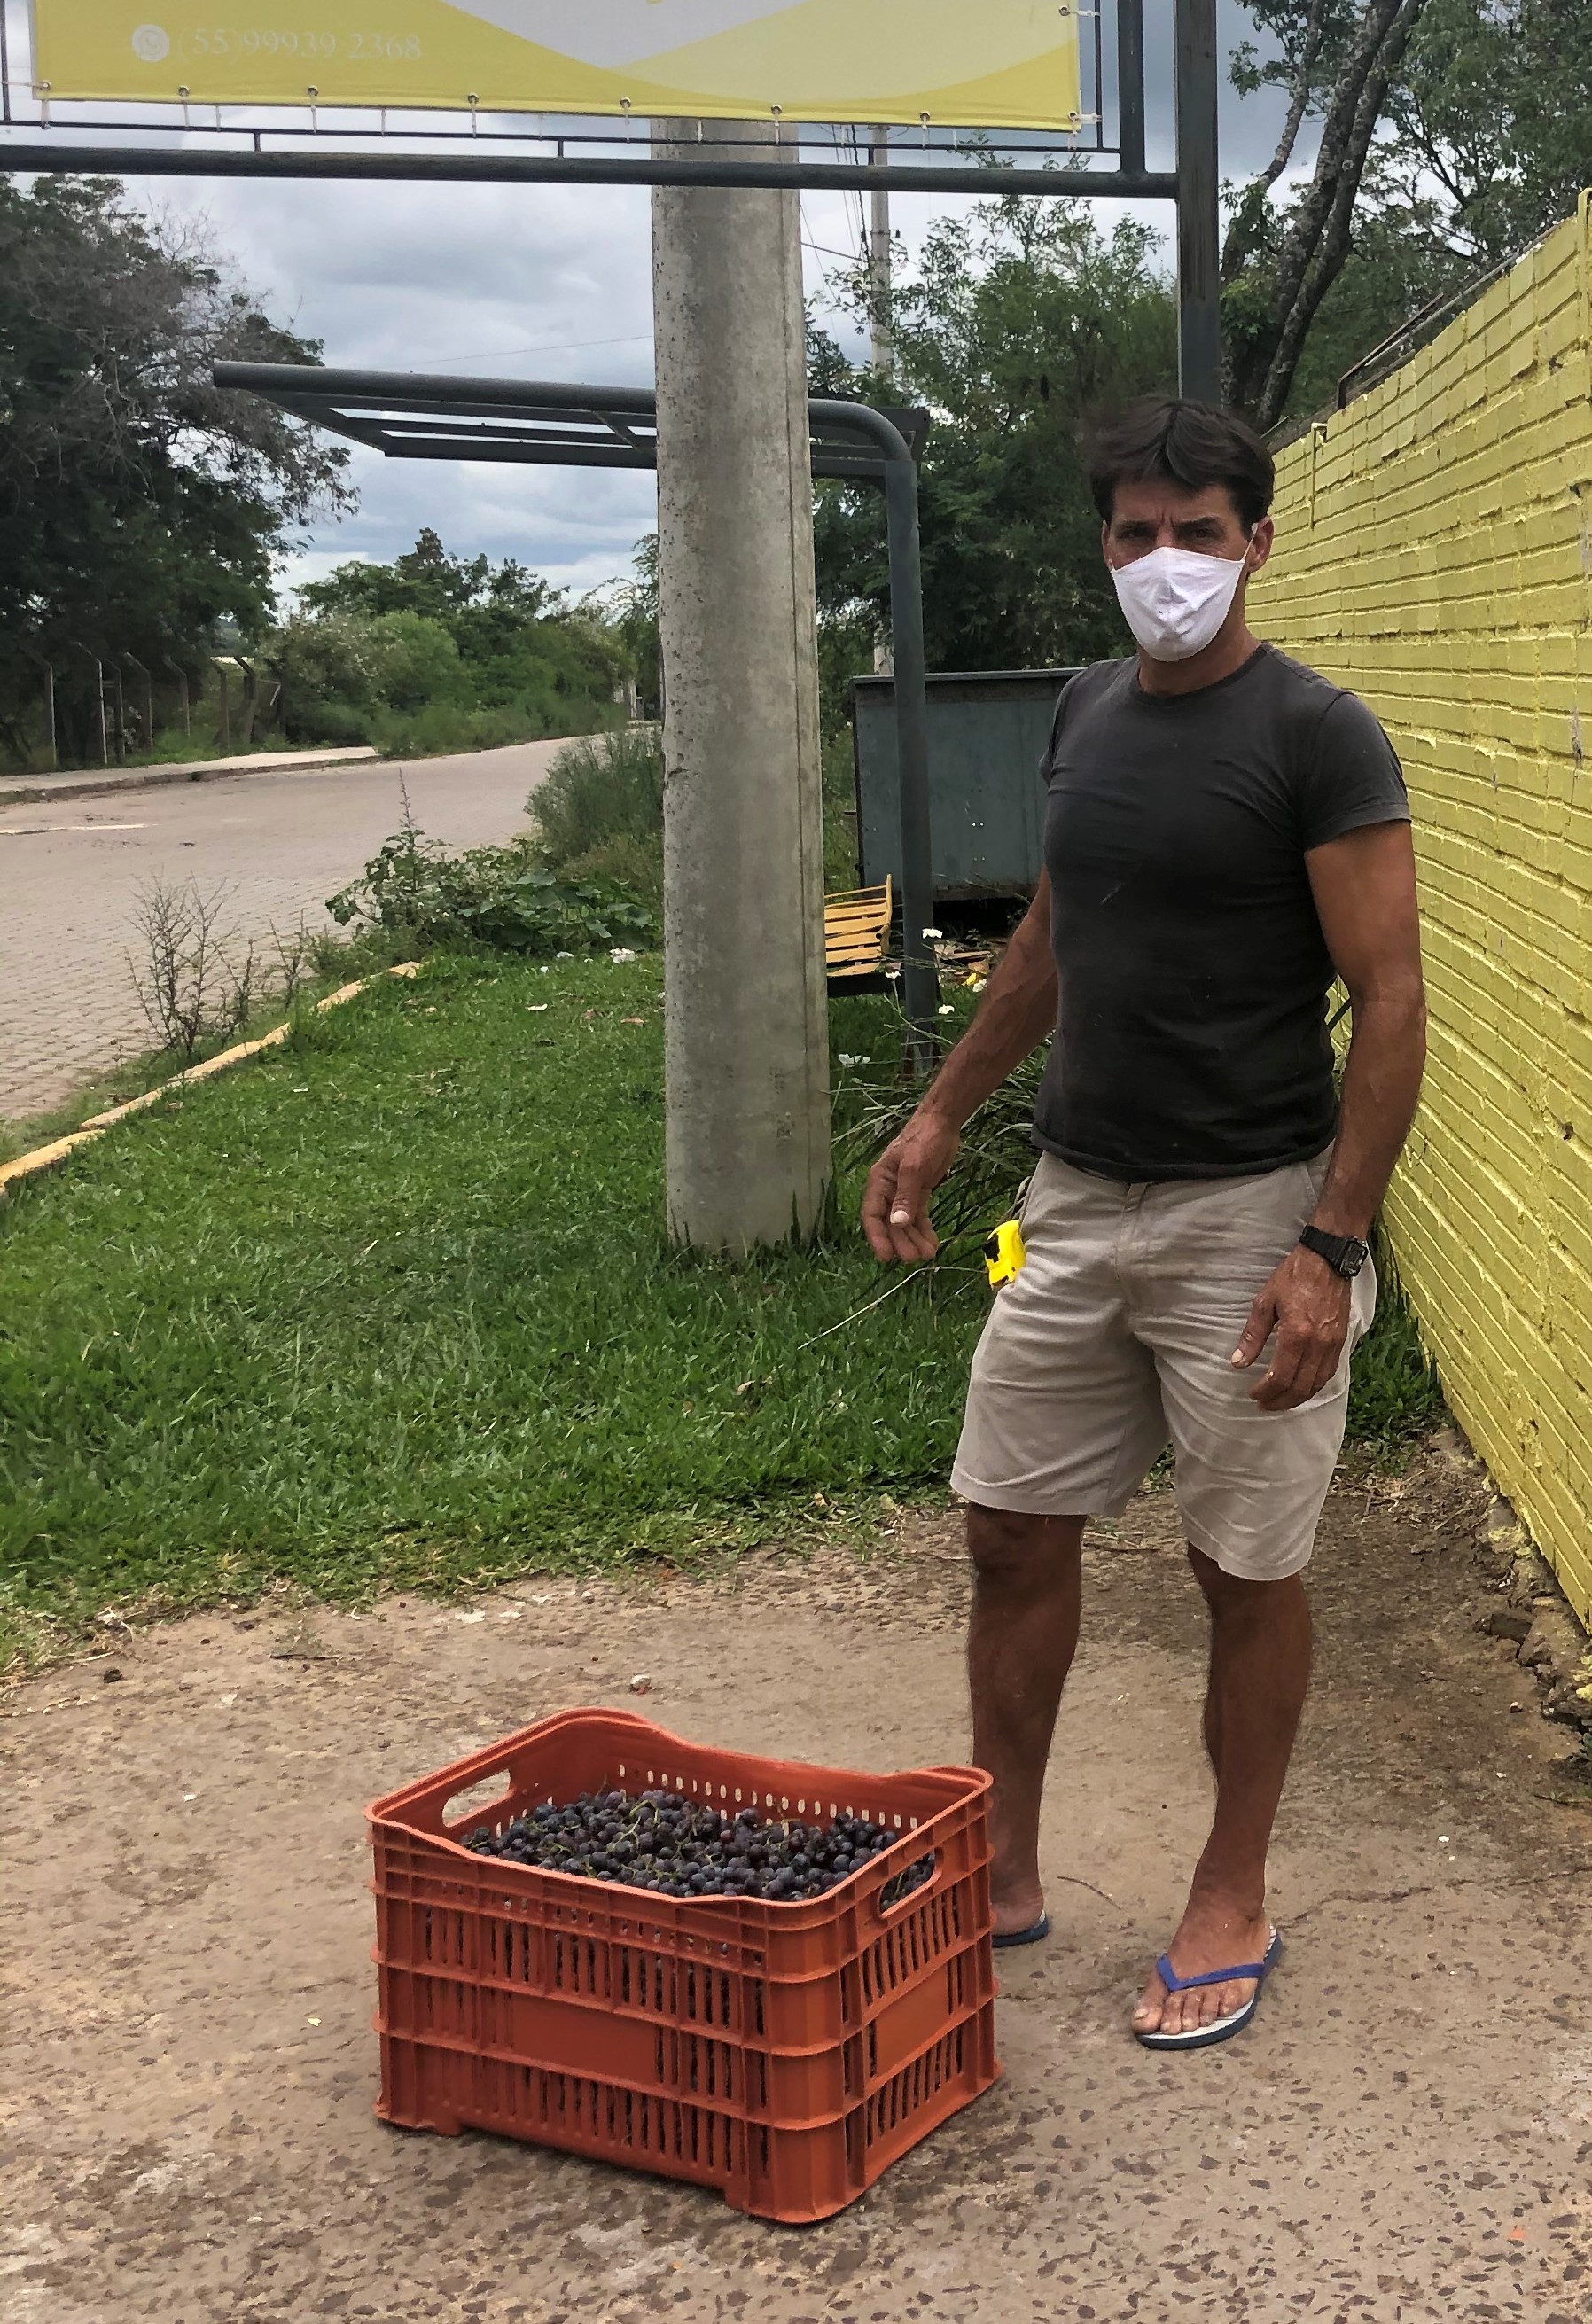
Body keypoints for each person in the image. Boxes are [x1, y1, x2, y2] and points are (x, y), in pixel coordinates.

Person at [862, 397, 1426, 2051]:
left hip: (1249, 1216)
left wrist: (1330, 1245)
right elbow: (1051, 936)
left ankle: (1229, 1891)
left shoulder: (1319, 735)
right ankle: (1001, 1865)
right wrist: (941, 1111)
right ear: (1101, 544)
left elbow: (1392, 1001)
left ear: (1258, 539)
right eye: (1135, 532)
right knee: (1006, 1526)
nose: (1165, 560)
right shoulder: (1084, 708)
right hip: (1070, 1197)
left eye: (1198, 530)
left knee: (1241, 1563)